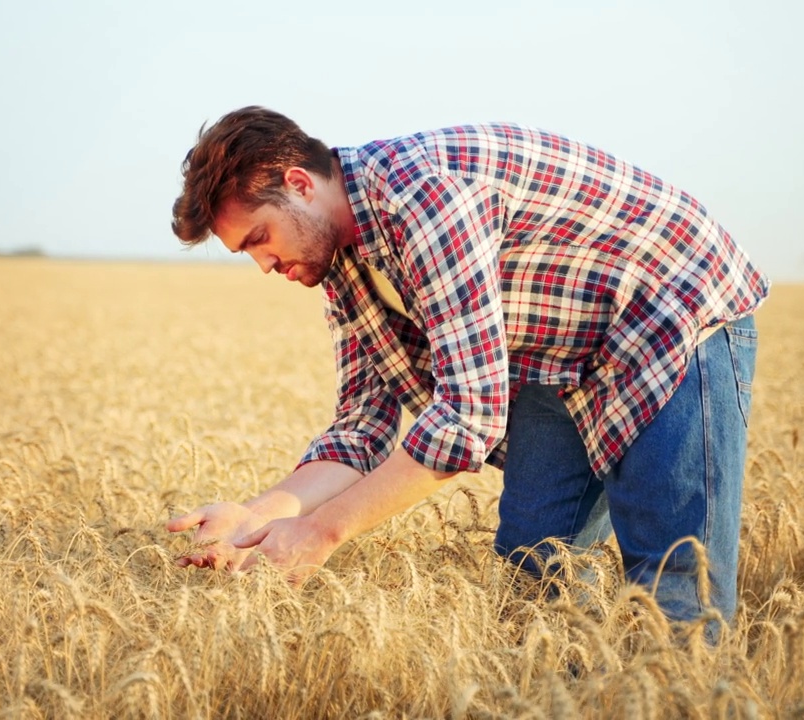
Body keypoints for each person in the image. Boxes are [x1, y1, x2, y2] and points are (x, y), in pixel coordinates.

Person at [165, 106, 768, 629]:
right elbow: (361, 428)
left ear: (299, 184)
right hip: (556, 354)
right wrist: (259, 516)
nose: (265, 265)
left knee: (676, 582)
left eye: (259, 239)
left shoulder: (425, 197)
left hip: (671, 315)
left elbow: (464, 420)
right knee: (534, 571)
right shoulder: (340, 264)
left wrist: (319, 534)